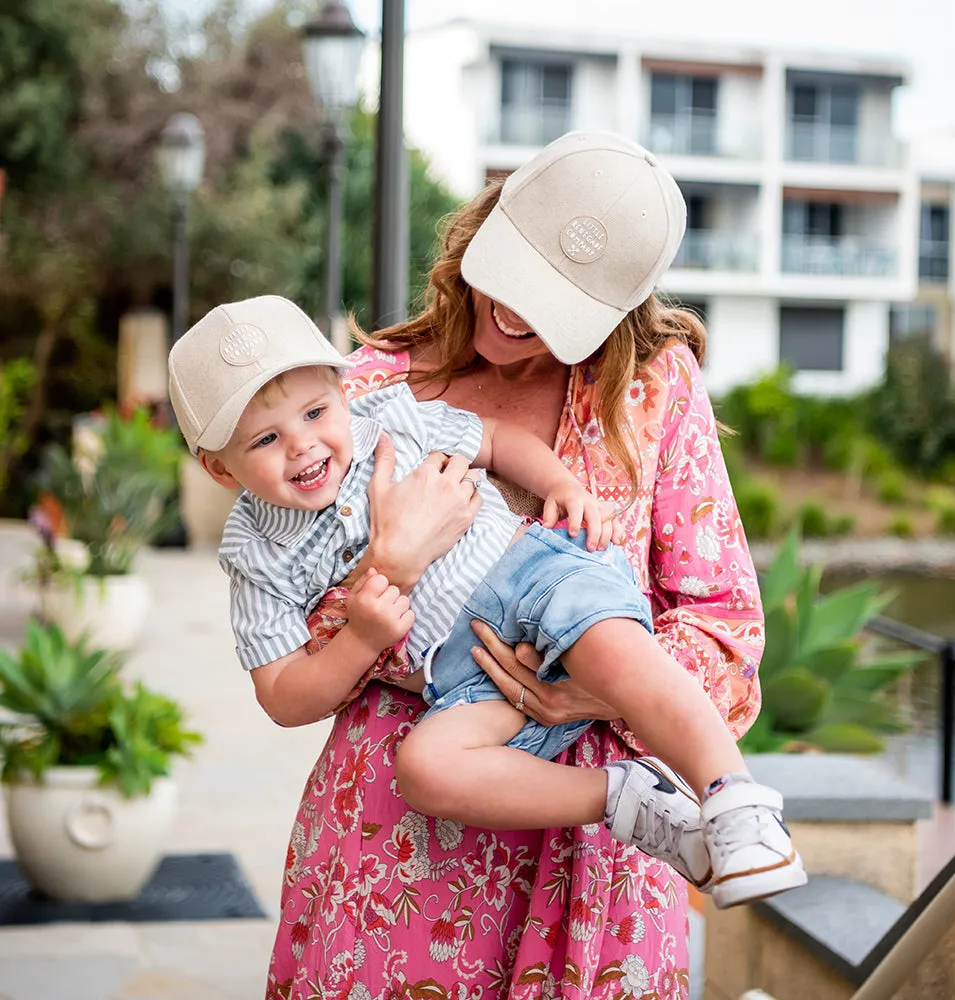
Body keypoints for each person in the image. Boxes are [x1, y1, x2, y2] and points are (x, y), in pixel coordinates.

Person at [229, 129, 768, 998]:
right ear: (481, 231)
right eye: (509, 276)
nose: (515, 316)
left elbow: (728, 638)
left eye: (557, 305)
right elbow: (292, 626)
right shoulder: (358, 390)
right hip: (396, 849)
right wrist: (394, 565)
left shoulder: (651, 391)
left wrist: (590, 685)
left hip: (598, 870)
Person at [169, 283, 804, 907]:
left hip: (530, 576)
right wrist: (360, 638)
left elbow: (495, 440)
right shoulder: (254, 554)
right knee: (426, 769)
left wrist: (564, 486)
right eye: (264, 439)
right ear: (219, 469)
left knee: (614, 652)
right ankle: (625, 799)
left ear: (341, 392)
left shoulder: (388, 416)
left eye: (313, 413)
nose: (302, 444)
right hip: (462, 674)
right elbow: (281, 693)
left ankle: (735, 799)